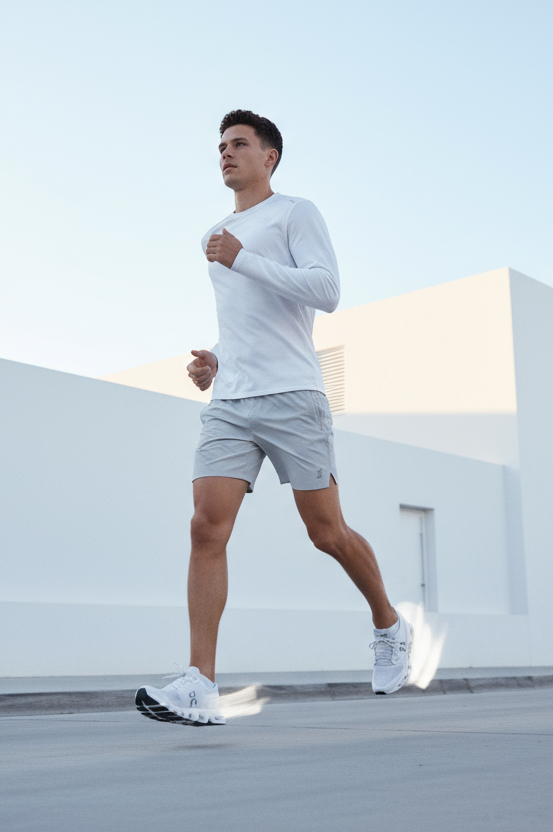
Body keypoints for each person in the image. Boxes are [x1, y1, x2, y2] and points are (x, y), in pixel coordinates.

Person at [135, 110, 411, 727]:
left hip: (293, 397)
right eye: (222, 147)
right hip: (231, 401)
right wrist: (216, 359)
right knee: (206, 527)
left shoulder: (294, 213)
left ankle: (389, 624)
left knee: (326, 533)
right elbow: (247, 318)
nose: (227, 154)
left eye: (239, 145)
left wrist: (243, 259)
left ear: (270, 156)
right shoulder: (215, 233)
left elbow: (326, 290)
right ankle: (200, 685)